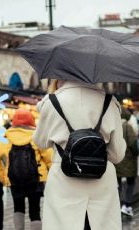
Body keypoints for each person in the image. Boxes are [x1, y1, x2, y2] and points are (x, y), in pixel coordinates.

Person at [32, 80, 126, 230]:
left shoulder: (52, 102)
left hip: (64, 181)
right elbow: (117, 155)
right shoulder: (110, 102)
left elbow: (40, 142)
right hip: (101, 183)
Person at [0, 109, 52, 230]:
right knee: (35, 210)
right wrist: (51, 177)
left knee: (18, 207)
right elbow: (49, 158)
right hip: (36, 178)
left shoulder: (6, 137)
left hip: (14, 180)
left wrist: (3, 178)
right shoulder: (36, 136)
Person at [115, 108, 139, 217]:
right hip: (128, 159)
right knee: (131, 182)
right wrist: (136, 153)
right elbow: (133, 143)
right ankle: (127, 205)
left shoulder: (114, 126)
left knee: (117, 183)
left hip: (117, 160)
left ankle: (117, 205)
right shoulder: (127, 127)